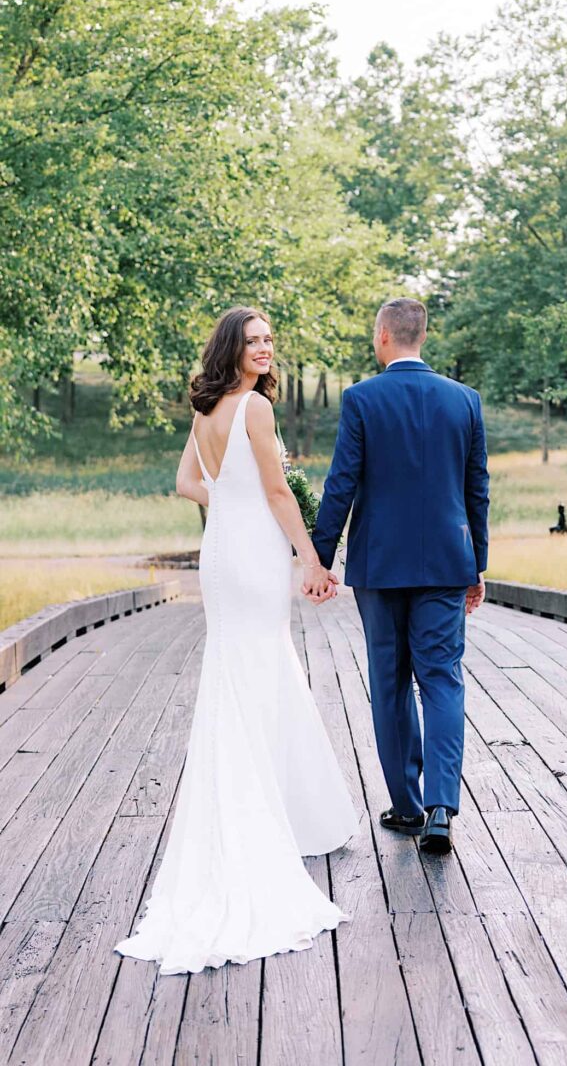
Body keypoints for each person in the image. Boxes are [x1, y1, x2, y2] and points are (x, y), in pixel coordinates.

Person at [116, 307, 357, 974]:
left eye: (269, 339)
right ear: (232, 347)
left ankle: (281, 812)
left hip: (220, 547)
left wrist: (230, 497)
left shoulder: (207, 408)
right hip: (249, 550)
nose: (264, 348)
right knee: (256, 672)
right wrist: (311, 558)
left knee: (246, 670)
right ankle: (261, 826)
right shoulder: (251, 407)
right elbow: (279, 492)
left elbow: (188, 483)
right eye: (252, 341)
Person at [311, 298, 490, 856]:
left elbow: (342, 483)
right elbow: (476, 489)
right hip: (445, 562)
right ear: (423, 335)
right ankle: (441, 805)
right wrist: (476, 565)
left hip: (380, 564)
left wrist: (318, 556)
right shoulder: (465, 400)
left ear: (383, 335)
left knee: (389, 682)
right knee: (441, 677)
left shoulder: (362, 399)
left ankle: (407, 807)